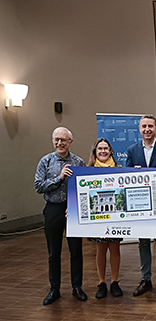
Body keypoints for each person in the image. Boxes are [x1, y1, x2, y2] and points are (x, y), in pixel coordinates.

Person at [34, 127, 87, 305]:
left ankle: (77, 287)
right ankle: (54, 289)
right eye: (56, 139)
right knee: (53, 252)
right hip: (53, 209)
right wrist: (59, 177)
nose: (59, 143)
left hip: (72, 210)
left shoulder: (78, 162)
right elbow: (38, 186)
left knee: (76, 251)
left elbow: (84, 189)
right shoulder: (46, 161)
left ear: (70, 142)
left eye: (63, 140)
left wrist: (75, 206)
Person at [126, 115, 156, 296]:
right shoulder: (132, 150)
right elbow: (127, 177)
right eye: (144, 126)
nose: (147, 129)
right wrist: (134, 174)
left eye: (150, 126)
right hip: (140, 205)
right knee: (143, 243)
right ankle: (145, 279)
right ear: (139, 128)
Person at [86, 138, 123, 298]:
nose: (103, 151)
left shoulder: (120, 168)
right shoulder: (87, 170)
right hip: (96, 217)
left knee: (114, 248)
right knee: (101, 249)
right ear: (95, 151)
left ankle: (114, 282)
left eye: (106, 149)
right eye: (100, 149)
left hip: (114, 216)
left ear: (110, 151)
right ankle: (101, 282)